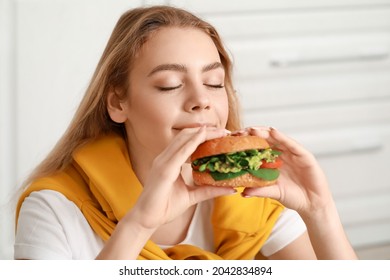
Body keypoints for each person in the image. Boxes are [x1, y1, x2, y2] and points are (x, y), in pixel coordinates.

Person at [14, 5, 357, 260]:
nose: (201, 100)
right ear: (118, 102)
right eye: (170, 85)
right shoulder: (54, 208)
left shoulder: (253, 197)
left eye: (213, 83)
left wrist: (320, 210)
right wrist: (139, 223)